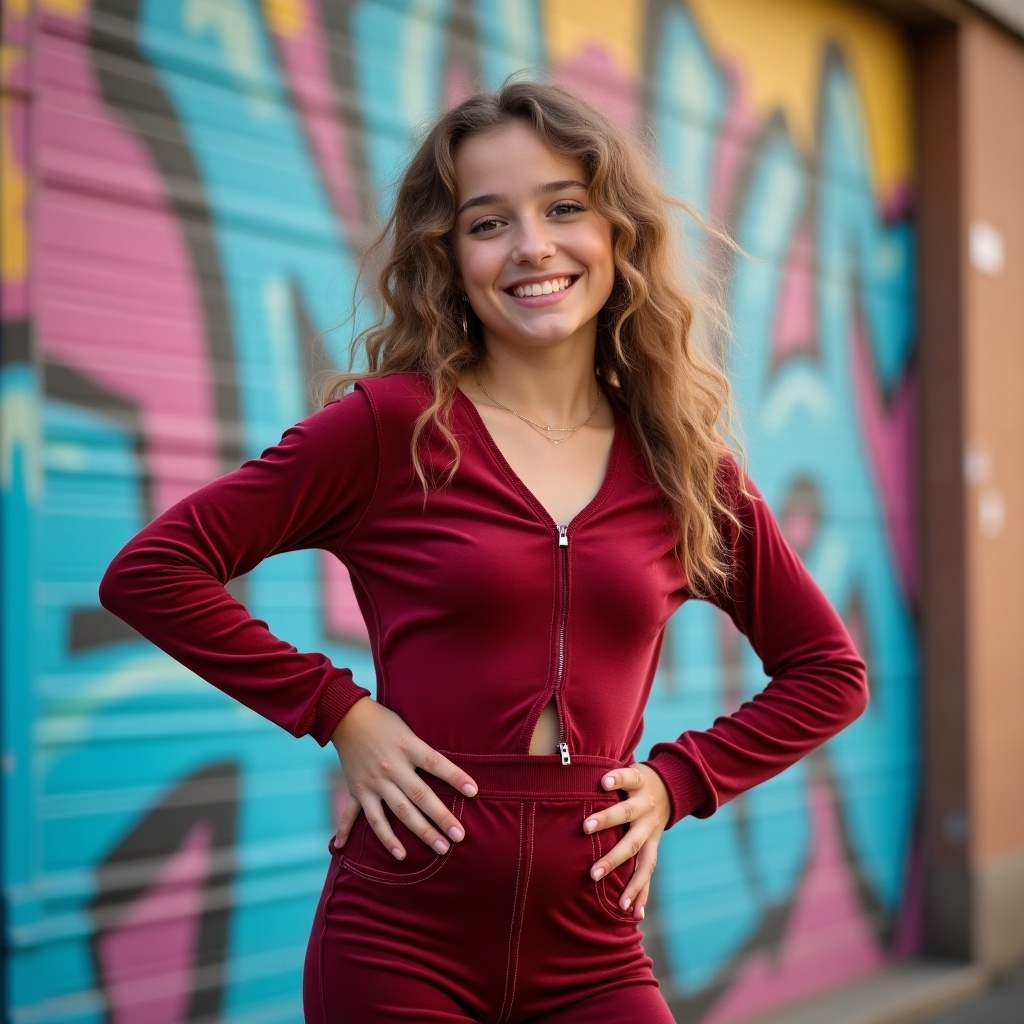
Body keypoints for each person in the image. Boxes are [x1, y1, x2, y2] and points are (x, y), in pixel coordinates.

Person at [99, 79, 868, 1023]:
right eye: (487, 222)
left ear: (618, 233)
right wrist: (340, 713)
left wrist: (678, 783)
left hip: (594, 946)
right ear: (450, 257)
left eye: (564, 208)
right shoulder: (389, 430)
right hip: (399, 938)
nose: (532, 247)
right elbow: (152, 571)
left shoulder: (684, 467)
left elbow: (829, 671)